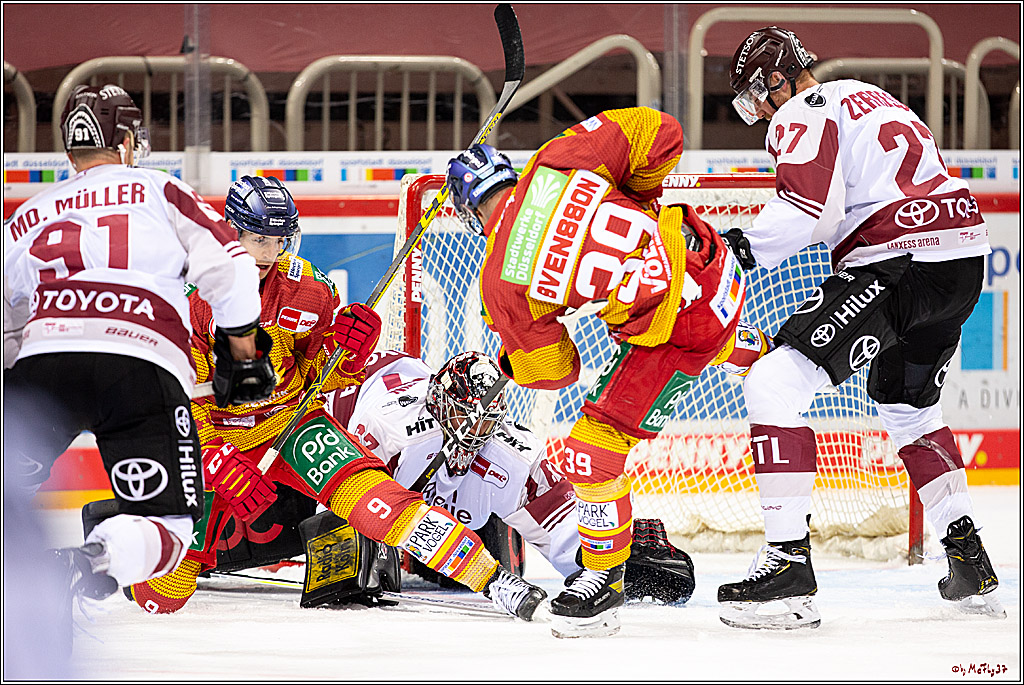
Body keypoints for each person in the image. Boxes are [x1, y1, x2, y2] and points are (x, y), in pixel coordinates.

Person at [122, 175, 546, 621]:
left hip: (291, 421)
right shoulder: (187, 298)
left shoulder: (311, 288)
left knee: (381, 503)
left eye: (280, 240)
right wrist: (216, 459)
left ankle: (496, 583)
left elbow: (322, 378)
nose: (270, 254)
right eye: (258, 239)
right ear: (230, 232)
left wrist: (347, 352)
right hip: (210, 440)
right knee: (160, 595)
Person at [444, 107, 769, 637]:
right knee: (651, 322)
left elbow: (555, 371)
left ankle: (602, 579)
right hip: (709, 253)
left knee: (587, 455)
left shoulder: (499, 283)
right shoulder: (558, 159)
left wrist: (510, 358)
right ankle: (758, 351)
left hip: (680, 327)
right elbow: (665, 133)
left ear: (469, 212)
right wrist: (634, 202)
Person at [717, 27, 1001, 629]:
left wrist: (731, 249)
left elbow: (803, 212)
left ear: (775, 81)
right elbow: (844, 208)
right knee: (907, 408)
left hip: (900, 257)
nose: (760, 115)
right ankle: (967, 555)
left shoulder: (798, 111)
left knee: (771, 384)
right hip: (961, 259)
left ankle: (788, 573)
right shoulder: (867, 95)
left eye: (756, 98)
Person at [3, 85, 273, 614]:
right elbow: (230, 267)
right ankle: (92, 561)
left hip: (42, 362)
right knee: (170, 529)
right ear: (127, 142)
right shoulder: (159, 190)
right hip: (139, 362)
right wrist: (244, 355)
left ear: (69, 152)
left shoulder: (28, 213)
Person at [326, 348, 697, 604]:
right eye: (465, 416)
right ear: (438, 401)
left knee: (483, 554)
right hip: (346, 396)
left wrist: (615, 559)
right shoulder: (389, 423)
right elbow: (341, 489)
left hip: (439, 509)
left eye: (487, 418)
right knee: (344, 556)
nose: (475, 430)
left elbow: (564, 533)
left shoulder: (510, 453)